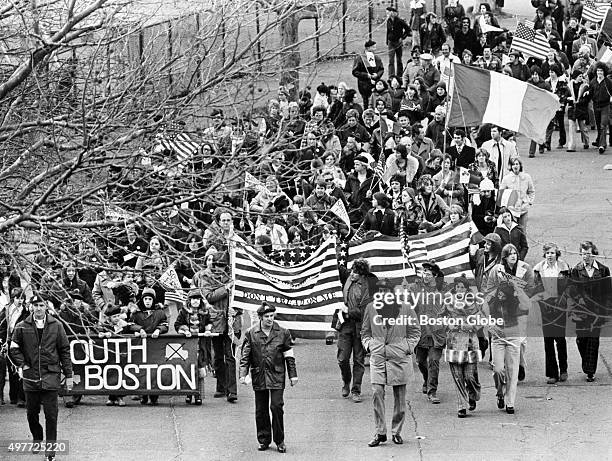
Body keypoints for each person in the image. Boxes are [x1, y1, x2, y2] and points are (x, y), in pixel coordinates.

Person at [9, 295, 74, 461]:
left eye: (41, 305)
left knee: (51, 416)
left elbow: (65, 351)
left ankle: (50, 453)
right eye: (35, 305)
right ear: (31, 307)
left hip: (50, 377)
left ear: (46, 307)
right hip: (31, 379)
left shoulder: (56, 325)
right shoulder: (22, 326)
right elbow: (14, 348)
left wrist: (68, 375)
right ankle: (37, 437)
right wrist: (23, 364)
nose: (38, 308)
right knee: (32, 414)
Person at [361, 278, 421, 447]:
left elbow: (415, 331)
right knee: (376, 392)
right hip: (378, 356)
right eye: (379, 292)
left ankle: (396, 431)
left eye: (386, 291)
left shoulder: (406, 308)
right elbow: (365, 332)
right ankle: (380, 432)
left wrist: (408, 347)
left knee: (400, 398)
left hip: (399, 357)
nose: (382, 294)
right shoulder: (370, 308)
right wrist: (369, 345)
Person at [239, 302, 298, 453]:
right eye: (266, 316)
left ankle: (280, 440)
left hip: (277, 374)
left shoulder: (283, 333)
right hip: (259, 374)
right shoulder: (251, 333)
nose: (270, 319)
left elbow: (289, 355)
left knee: (277, 406)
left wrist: (293, 375)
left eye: (272, 316)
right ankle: (264, 439)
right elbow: (245, 356)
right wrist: (243, 374)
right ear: (260, 317)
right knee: (261, 409)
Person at [566, 241, 611, 382]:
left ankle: (590, 371)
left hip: (597, 312)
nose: (585, 256)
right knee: (581, 339)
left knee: (593, 339)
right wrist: (579, 300)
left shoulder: (603, 270)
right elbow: (572, 289)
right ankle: (587, 362)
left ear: (594, 253)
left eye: (588, 253)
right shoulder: (576, 270)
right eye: (583, 253)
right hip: (581, 311)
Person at [200, 252, 240, 402]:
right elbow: (208, 296)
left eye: (223, 266)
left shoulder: (234, 277)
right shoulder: (206, 277)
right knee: (217, 356)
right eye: (217, 265)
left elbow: (241, 296)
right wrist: (226, 288)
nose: (220, 269)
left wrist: (237, 310)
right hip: (215, 322)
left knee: (230, 357)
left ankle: (232, 391)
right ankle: (221, 386)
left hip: (231, 322)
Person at [337, 259, 378, 403]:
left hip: (362, 326)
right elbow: (335, 266)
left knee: (359, 359)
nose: (352, 274)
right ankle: (346, 381)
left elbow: (366, 310)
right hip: (346, 325)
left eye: (355, 272)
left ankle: (356, 390)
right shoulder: (348, 276)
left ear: (362, 275)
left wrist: (349, 311)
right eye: (352, 271)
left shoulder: (370, 286)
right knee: (342, 358)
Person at [444, 276, 483, 418]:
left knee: (469, 376)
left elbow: (482, 317)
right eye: (458, 287)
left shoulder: (474, 302)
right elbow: (440, 316)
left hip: (470, 342)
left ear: (467, 289)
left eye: (463, 287)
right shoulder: (448, 301)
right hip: (454, 341)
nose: (460, 290)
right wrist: (447, 323)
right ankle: (461, 406)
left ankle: (472, 394)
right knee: (457, 376)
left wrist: (472, 325)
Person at [533, 243, 571, 384]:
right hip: (546, 307)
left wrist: (563, 300)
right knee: (548, 341)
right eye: (547, 253)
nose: (550, 255)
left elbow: (569, 287)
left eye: (552, 253)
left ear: (557, 254)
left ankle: (563, 369)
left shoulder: (564, 268)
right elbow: (535, 288)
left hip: (560, 307)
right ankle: (552, 374)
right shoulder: (538, 269)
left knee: (560, 339)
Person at [413, 260, 446, 404]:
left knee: (433, 361)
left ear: (435, 275)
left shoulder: (442, 290)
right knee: (420, 361)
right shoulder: (415, 288)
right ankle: (426, 379)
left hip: (436, 333)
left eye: (428, 274)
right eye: (423, 273)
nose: (425, 276)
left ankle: (432, 391)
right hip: (420, 332)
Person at [132, 287, 169, 405]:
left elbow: (165, 324)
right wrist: (139, 329)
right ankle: (143, 394)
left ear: (153, 300)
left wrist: (159, 330)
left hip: (155, 345)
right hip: (141, 344)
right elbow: (130, 324)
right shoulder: (136, 313)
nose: (147, 301)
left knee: (155, 369)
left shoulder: (159, 312)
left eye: (150, 299)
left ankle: (154, 396)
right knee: (141, 369)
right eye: (145, 299)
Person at [175, 289, 212, 405]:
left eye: (197, 299)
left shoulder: (205, 312)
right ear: (189, 300)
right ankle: (188, 393)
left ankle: (199, 395)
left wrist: (208, 329)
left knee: (200, 370)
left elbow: (209, 322)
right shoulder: (183, 312)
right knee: (188, 369)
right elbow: (177, 324)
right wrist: (184, 330)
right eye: (193, 299)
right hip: (187, 345)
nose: (195, 301)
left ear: (200, 300)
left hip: (200, 344)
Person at [0, 287, 28, 406]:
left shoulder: (26, 312)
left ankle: (21, 397)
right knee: (11, 370)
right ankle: (13, 396)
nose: (20, 300)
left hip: (21, 344)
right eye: (18, 298)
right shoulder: (6, 310)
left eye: (22, 298)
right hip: (7, 343)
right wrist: (4, 340)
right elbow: (2, 327)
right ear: (13, 298)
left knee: (20, 368)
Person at [499, 158, 535, 232]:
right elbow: (501, 193)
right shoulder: (506, 178)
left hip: (523, 208)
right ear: (510, 166)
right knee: (513, 231)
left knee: (522, 231)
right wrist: (505, 206)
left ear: (520, 166)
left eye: (517, 164)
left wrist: (529, 201)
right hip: (511, 210)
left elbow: (531, 191)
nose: (515, 166)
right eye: (513, 164)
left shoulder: (527, 177)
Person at [352, 40, 385, 109]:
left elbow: (381, 69)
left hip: (375, 83)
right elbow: (355, 71)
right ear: (368, 48)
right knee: (366, 102)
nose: (375, 49)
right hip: (363, 84)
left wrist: (377, 75)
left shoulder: (377, 58)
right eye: (373, 47)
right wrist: (366, 75)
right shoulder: (360, 58)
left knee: (376, 101)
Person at [588, 62, 612, 154]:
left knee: (603, 125)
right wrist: (586, 93)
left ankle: (602, 145)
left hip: (605, 106)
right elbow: (590, 92)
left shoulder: (608, 82)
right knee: (598, 125)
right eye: (598, 71)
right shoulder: (593, 81)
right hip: (595, 105)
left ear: (604, 72)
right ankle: (600, 141)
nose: (599, 73)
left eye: (601, 71)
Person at [386, 6, 411, 77]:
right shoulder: (388, 21)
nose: (387, 14)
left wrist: (402, 37)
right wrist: (387, 41)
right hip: (391, 42)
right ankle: (391, 75)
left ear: (393, 13)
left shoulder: (400, 21)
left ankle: (399, 75)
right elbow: (388, 31)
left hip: (398, 42)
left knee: (399, 59)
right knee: (391, 60)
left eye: (388, 12)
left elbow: (408, 30)